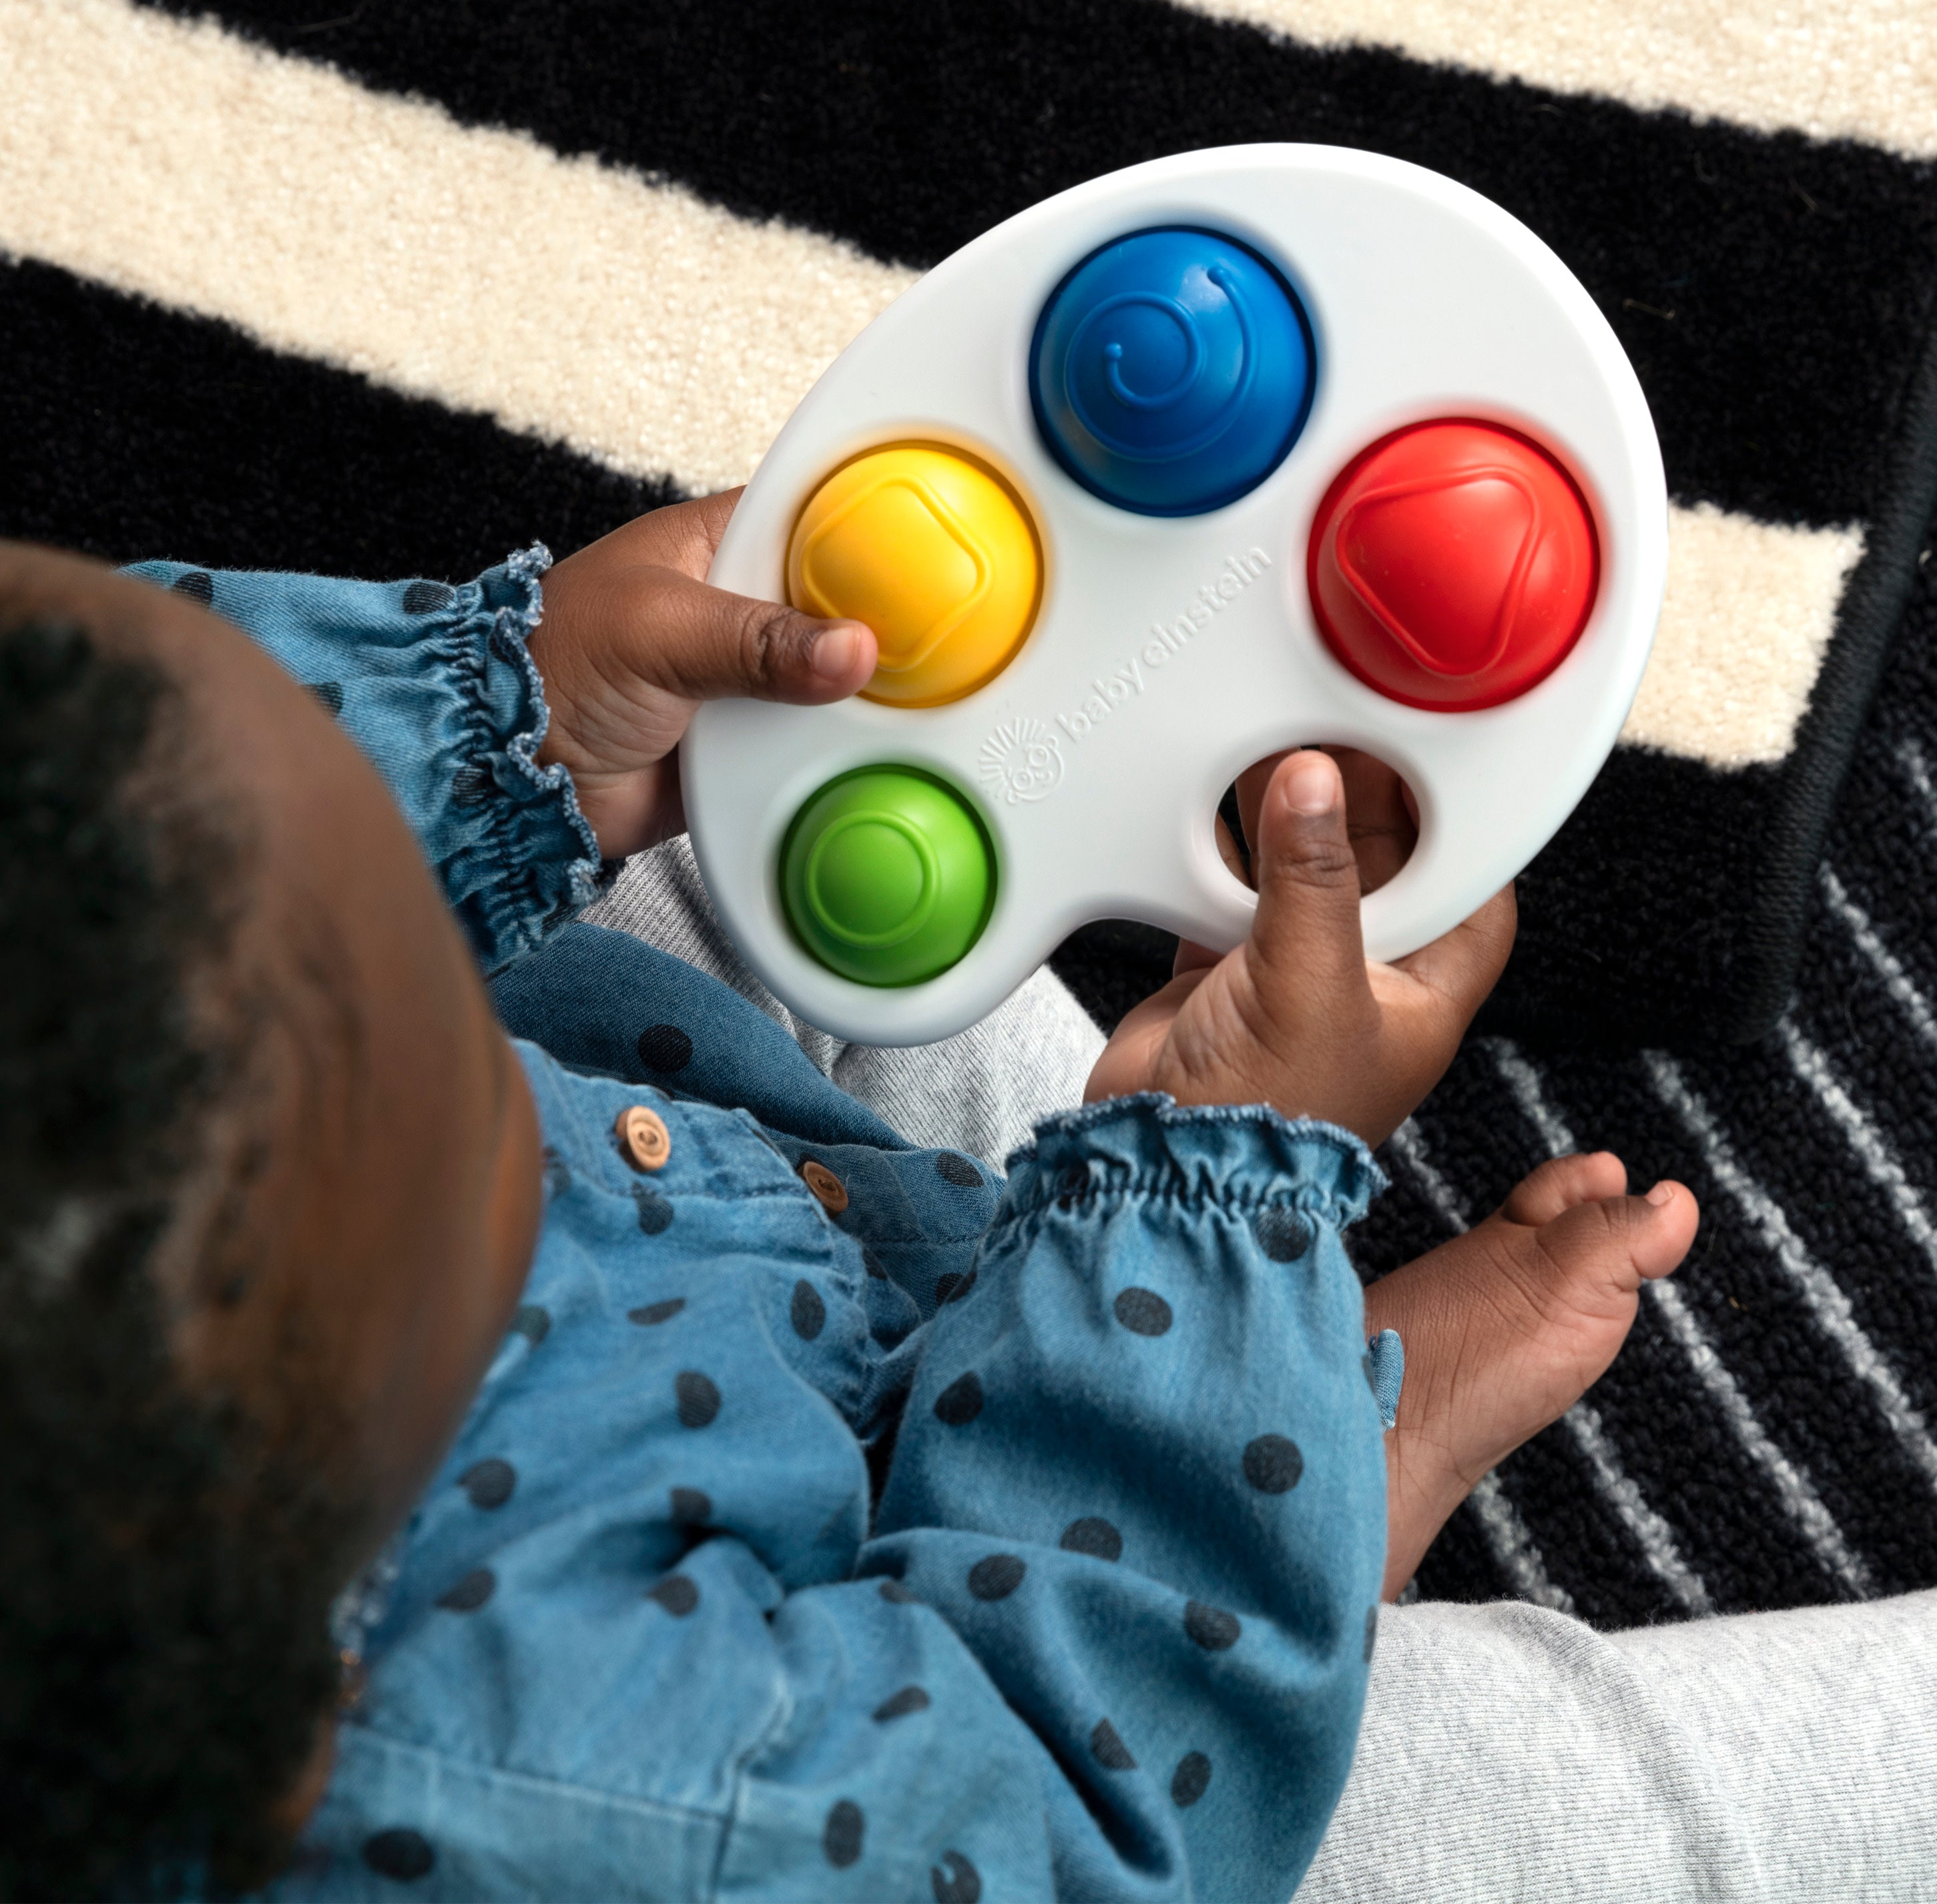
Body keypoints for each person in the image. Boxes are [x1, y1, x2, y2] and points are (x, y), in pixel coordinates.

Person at [0, 501, 1700, 1900]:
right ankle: (1248, 1479)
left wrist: (500, 727)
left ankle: (1217, 1397)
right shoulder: (557, 1795)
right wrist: (1215, 1180)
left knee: (768, 843)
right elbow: (1057, 1811)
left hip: (697, 1182)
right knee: (1680, 1792)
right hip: (978, 1726)